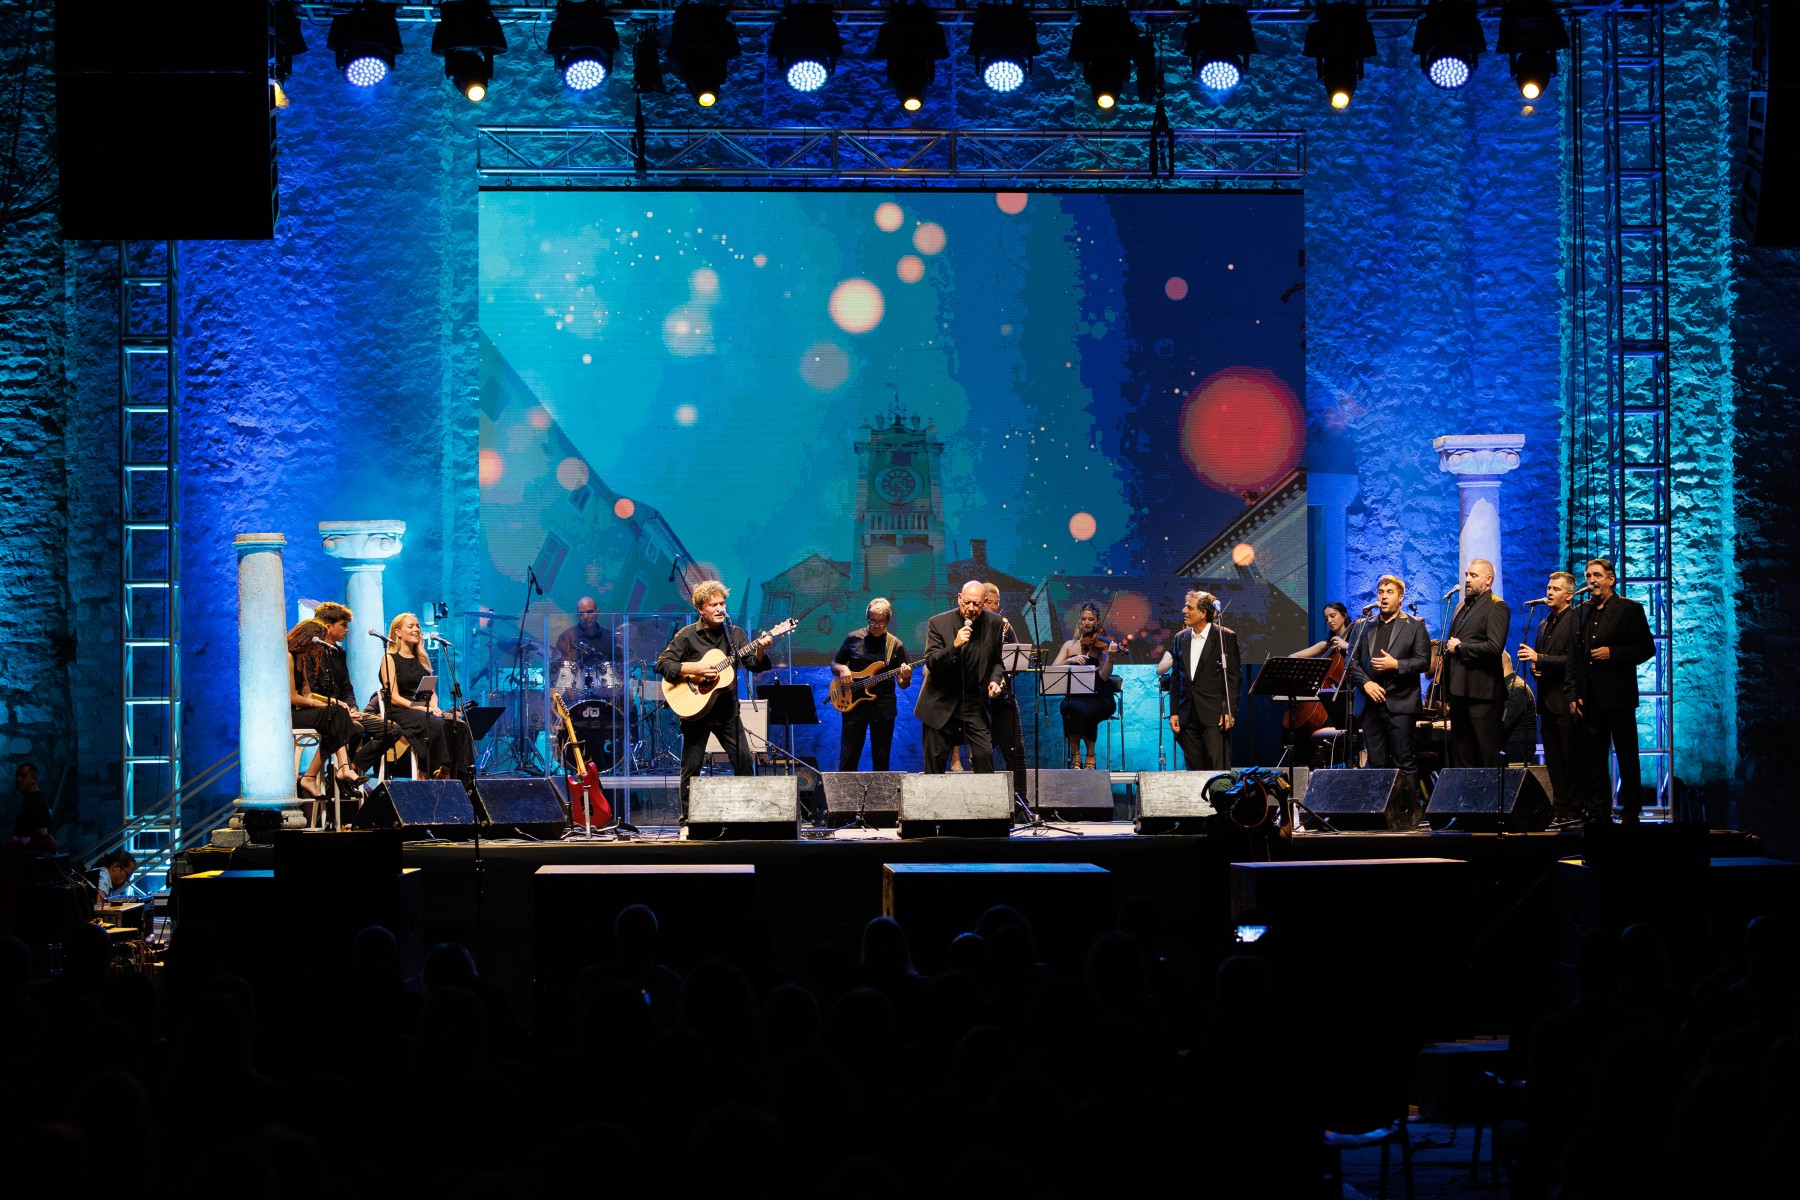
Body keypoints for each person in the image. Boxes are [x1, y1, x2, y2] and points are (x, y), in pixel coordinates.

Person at [656, 581, 774, 821]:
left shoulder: (735, 634)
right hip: (695, 712)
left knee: (743, 761)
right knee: (691, 766)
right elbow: (663, 664)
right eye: (713, 605)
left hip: (726, 711)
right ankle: (687, 820)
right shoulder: (688, 635)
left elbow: (754, 664)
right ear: (701, 609)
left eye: (722, 603)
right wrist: (695, 669)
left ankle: (747, 816)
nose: (720, 608)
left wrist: (761, 649)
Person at [1565, 557, 1655, 822]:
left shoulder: (1629, 609)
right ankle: (1599, 811)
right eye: (1587, 575)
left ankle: (1631, 810)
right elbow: (1573, 656)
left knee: (1627, 755)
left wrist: (1613, 653)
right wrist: (1572, 693)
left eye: (1596, 575)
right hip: (1590, 697)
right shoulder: (1580, 612)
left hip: (1618, 696)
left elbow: (1646, 648)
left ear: (1610, 579)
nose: (1591, 580)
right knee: (1594, 757)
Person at [1345, 575, 1430, 795]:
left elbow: (1424, 661)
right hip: (1371, 705)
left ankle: (1409, 810)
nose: (1383, 596)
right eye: (1381, 592)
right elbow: (1350, 662)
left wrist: (1396, 664)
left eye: (1389, 592)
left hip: (1400, 704)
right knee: (1376, 763)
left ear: (1400, 597)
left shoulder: (1415, 625)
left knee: (1404, 761)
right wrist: (1366, 684)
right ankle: (1380, 809)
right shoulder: (1362, 626)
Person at [913, 581, 1006, 774]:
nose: (971, 608)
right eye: (967, 603)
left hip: (973, 704)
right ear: (959, 599)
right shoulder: (938, 623)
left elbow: (997, 661)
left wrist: (994, 680)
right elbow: (931, 662)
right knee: (934, 769)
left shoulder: (995, 623)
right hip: (940, 703)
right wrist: (954, 645)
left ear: (984, 602)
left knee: (984, 755)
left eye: (976, 604)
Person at [1518, 571, 1583, 820]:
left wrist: (1541, 659)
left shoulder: (1575, 620)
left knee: (1571, 757)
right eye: (1548, 588)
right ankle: (1560, 808)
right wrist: (1536, 668)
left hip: (1566, 699)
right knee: (1553, 759)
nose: (1549, 592)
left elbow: (1573, 661)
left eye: (1556, 589)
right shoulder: (1544, 624)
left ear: (1569, 595)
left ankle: (1575, 809)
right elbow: (1542, 661)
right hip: (1547, 701)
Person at [381, 612, 473, 780]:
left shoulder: (423, 659)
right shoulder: (390, 659)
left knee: (459, 725)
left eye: (417, 626)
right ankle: (438, 770)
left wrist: (433, 707)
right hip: (401, 710)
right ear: (398, 632)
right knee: (436, 724)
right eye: (410, 626)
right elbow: (394, 697)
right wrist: (424, 709)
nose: (416, 629)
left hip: (424, 709)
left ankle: (463, 778)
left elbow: (432, 693)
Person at [1442, 558, 1511, 768]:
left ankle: (1493, 791)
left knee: (1487, 755)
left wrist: (1461, 648)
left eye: (1474, 575)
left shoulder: (1496, 606)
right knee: (1462, 756)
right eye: (1467, 575)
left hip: (1483, 694)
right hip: (1459, 693)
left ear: (1488, 580)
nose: (1467, 579)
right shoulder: (1460, 606)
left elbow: (1494, 647)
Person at [287, 617, 366, 799]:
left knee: (336, 718)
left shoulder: (301, 658)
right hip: (289, 715)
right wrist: (321, 704)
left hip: (301, 710)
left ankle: (312, 776)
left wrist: (331, 701)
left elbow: (307, 693)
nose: (322, 648)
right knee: (335, 716)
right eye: (320, 643)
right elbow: (292, 697)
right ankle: (341, 769)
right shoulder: (289, 657)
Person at [830, 598, 912, 772]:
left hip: (883, 707)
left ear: (887, 622)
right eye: (873, 621)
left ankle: (880, 791)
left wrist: (906, 678)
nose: (876, 625)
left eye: (881, 622)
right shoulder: (853, 638)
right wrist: (843, 669)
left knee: (881, 761)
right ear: (867, 618)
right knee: (848, 758)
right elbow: (834, 664)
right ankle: (846, 789)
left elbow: (903, 684)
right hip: (854, 705)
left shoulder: (896, 645)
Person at [1168, 590, 1242, 771]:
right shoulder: (1180, 638)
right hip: (1187, 715)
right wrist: (1174, 712)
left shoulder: (1225, 637)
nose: (1184, 611)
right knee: (1194, 771)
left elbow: (1233, 677)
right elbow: (1176, 677)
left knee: (1218, 770)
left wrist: (1229, 710)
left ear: (1203, 613)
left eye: (1189, 607)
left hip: (1214, 715)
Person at [1052, 602, 1119, 769]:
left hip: (1100, 696)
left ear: (1097, 621)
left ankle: (1090, 755)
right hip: (1076, 696)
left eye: (1091, 619)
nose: (1087, 622)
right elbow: (1053, 668)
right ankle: (1076, 756)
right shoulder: (1070, 645)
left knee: (1085, 711)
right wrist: (1070, 660)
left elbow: (1104, 676)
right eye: (1084, 619)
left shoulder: (1101, 646)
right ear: (1080, 621)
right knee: (1068, 706)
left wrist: (1110, 657)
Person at [984, 583, 1030, 800]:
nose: (993, 607)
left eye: (996, 603)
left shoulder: (1005, 626)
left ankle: (1021, 803)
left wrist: (1002, 677)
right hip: (979, 701)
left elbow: (1017, 662)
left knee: (1016, 752)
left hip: (1003, 697)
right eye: (989, 602)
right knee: (982, 754)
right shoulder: (969, 627)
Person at [1501, 651, 1539, 766]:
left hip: (1515, 750)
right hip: (1508, 746)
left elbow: (1502, 725)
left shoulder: (1517, 689)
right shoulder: (1508, 686)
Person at [554, 595, 615, 665]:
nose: (585, 617)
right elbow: (560, 667)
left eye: (589, 612)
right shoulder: (566, 637)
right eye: (581, 613)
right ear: (577, 615)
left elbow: (619, 665)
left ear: (597, 613)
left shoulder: (610, 637)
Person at [8, 763, 53, 850]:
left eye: (23, 775)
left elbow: (43, 837)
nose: (18, 779)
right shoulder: (35, 799)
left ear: (34, 779)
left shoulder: (35, 800)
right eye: (17, 776)